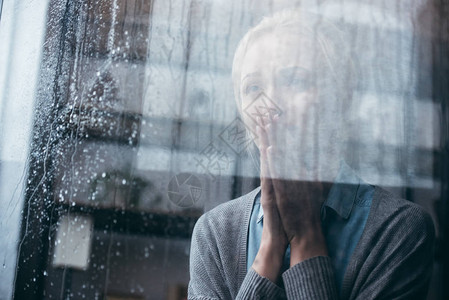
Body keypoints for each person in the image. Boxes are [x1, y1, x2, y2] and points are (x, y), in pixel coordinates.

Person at [188, 9, 435, 300]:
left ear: (342, 97)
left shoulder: (397, 230)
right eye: (253, 88)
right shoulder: (216, 233)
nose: (270, 105)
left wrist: (306, 238)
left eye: (294, 80)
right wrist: (268, 252)